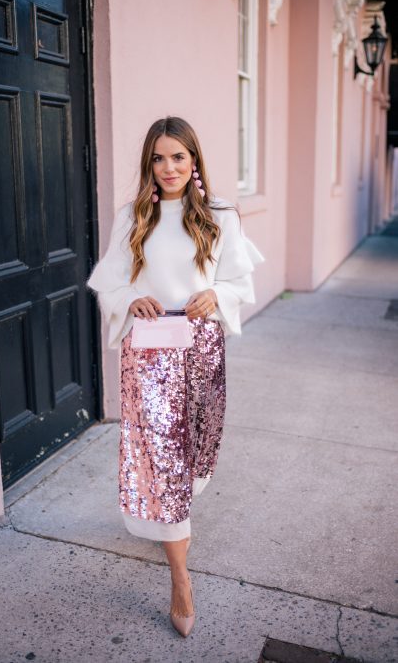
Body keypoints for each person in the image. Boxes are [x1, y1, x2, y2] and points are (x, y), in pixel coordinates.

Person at [87, 116, 264, 637]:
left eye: (178, 157)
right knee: (162, 461)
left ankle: (173, 516)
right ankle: (181, 580)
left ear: (194, 160)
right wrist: (128, 297)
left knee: (196, 454)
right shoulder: (131, 216)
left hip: (202, 348)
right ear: (150, 163)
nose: (169, 168)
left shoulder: (219, 216)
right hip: (149, 354)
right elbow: (110, 283)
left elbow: (237, 279)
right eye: (159, 158)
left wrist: (219, 294)